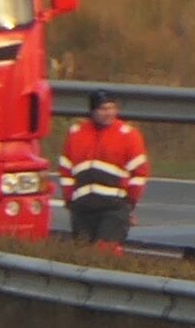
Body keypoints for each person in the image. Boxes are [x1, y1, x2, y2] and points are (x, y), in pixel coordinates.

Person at [58, 89, 149, 248]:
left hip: (113, 208)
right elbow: (66, 169)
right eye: (102, 109)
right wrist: (70, 199)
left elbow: (140, 173)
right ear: (92, 111)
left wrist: (128, 204)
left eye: (111, 108)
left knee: (106, 251)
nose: (108, 113)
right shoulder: (76, 133)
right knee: (82, 253)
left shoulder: (129, 135)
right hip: (82, 207)